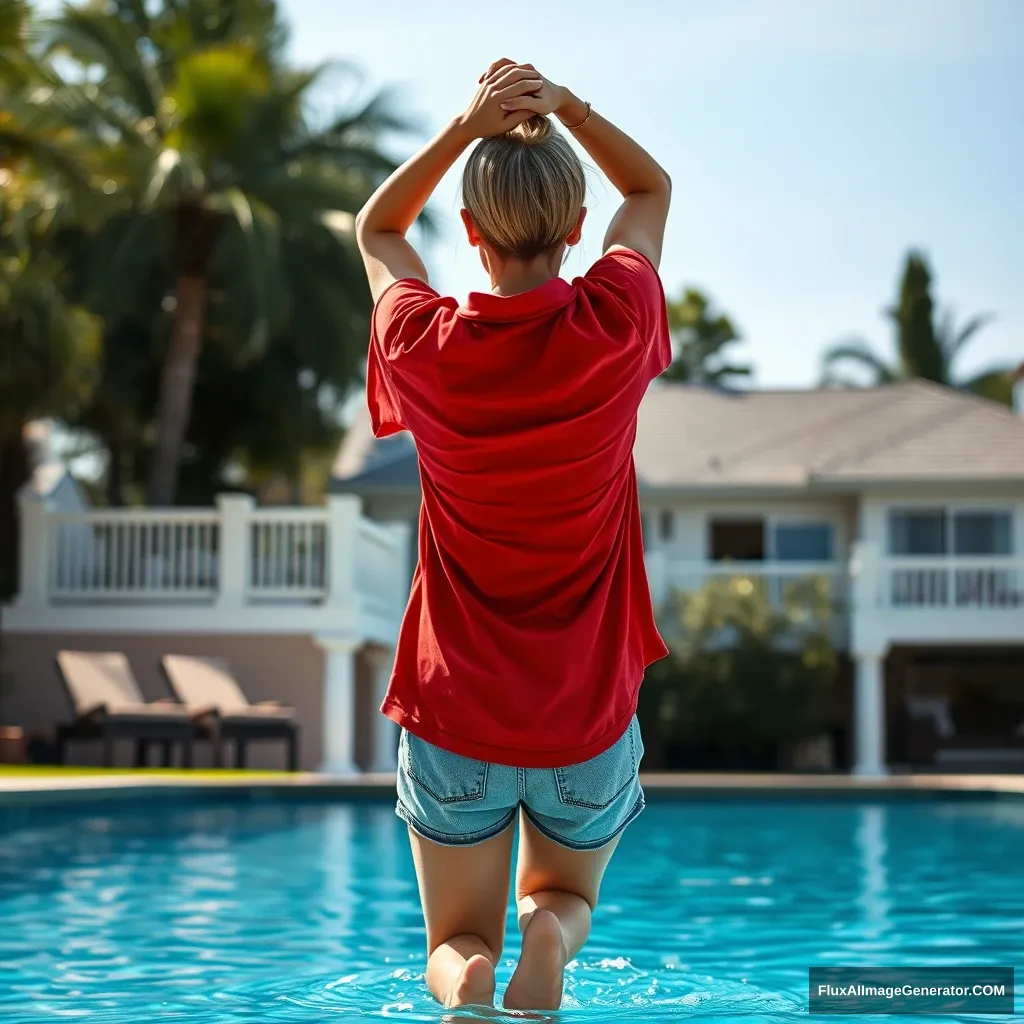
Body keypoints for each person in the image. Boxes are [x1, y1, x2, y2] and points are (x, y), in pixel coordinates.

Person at [354, 59, 672, 1012]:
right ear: (576, 228)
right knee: (565, 896)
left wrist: (463, 127)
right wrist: (566, 106)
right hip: (585, 708)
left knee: (452, 937)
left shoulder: (422, 344)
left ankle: (474, 980)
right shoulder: (618, 321)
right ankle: (548, 940)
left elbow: (376, 227)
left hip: (457, 710)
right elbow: (651, 189)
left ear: (470, 231)